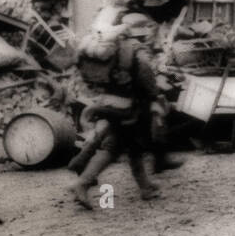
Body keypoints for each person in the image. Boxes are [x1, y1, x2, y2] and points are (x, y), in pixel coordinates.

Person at [68, 13, 166, 209]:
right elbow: (149, 85)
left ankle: (145, 187)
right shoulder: (136, 56)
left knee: (133, 149)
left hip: (111, 103)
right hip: (128, 109)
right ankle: (82, 184)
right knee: (113, 148)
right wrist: (156, 99)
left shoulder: (116, 54)